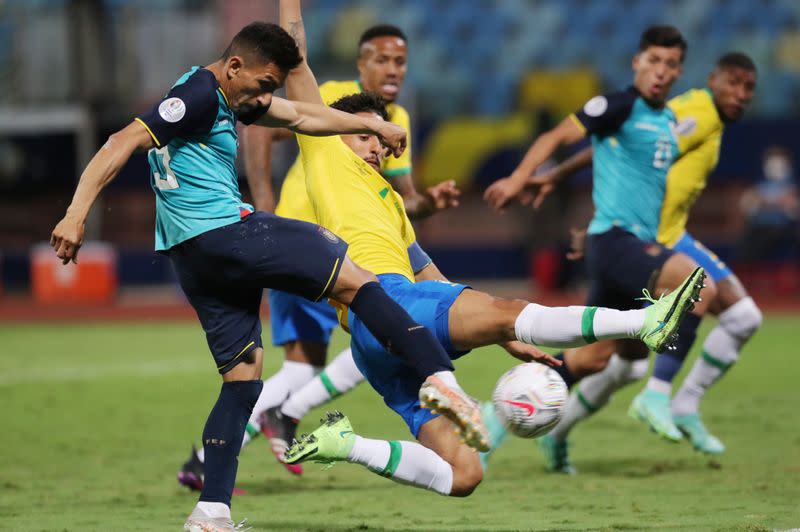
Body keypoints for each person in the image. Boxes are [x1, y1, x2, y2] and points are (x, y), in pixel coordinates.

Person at [48, 22, 475, 532]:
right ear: (234, 67)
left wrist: (376, 129)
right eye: (263, 82)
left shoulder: (231, 95)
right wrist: (76, 214)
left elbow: (300, 115)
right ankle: (441, 381)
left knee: (243, 380)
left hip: (191, 257)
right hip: (224, 233)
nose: (266, 95)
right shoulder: (200, 93)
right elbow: (122, 140)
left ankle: (211, 512)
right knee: (356, 278)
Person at [277, 1, 703, 498]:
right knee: (512, 308)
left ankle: (346, 444)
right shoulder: (325, 152)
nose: (378, 146)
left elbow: (431, 275)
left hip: (378, 337)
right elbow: (297, 58)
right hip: (384, 299)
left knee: (465, 475)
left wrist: (501, 336)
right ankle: (642, 322)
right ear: (337, 130)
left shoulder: (390, 201)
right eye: (368, 134)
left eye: (380, 137)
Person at [490, 53, 760, 472]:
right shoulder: (691, 114)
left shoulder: (701, 119)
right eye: (735, 84)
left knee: (612, 362)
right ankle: (670, 398)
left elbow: (617, 146)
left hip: (648, 238)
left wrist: (562, 179)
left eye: (749, 88)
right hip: (648, 241)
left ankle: (536, 426)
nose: (742, 95)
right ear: (712, 80)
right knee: (722, 303)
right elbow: (623, 146)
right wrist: (583, 205)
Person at [235, 23, 460, 477]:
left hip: (351, 255)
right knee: (363, 341)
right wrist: (263, 206)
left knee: (374, 339)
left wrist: (429, 203)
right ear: (361, 64)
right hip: (306, 245)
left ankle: (242, 439)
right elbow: (261, 130)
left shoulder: (398, 121)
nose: (392, 68)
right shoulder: (335, 92)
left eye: (399, 61)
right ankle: (236, 441)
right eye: (381, 59)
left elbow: (401, 199)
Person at [738, 145, 799, 261]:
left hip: (785, 229)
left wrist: (774, 203)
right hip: (760, 229)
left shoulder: (792, 187)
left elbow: (793, 210)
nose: (776, 167)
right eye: (772, 162)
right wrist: (773, 203)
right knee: (747, 246)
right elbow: (749, 207)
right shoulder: (759, 187)